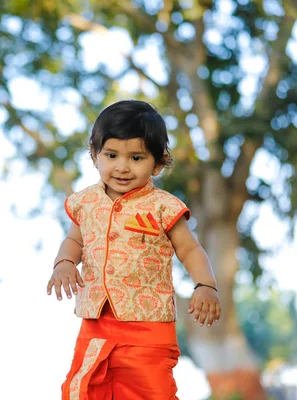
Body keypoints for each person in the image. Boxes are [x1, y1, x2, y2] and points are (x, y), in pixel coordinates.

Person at [46, 100, 221, 400]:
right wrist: (64, 262)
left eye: (136, 157)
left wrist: (206, 285)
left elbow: (190, 249)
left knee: (152, 392)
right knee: (82, 390)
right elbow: (74, 240)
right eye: (111, 155)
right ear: (94, 154)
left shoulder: (164, 207)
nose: (122, 166)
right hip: (96, 324)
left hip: (148, 327)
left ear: (158, 162)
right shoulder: (85, 203)